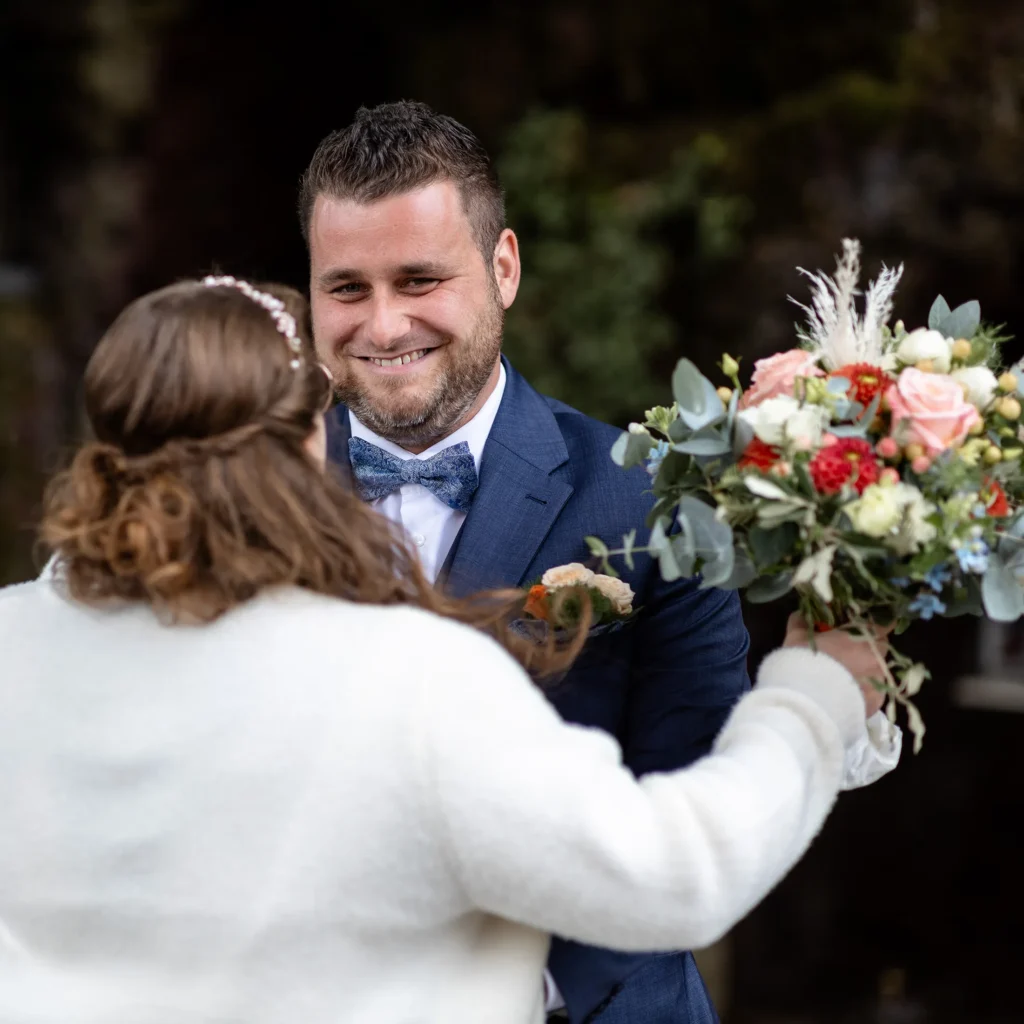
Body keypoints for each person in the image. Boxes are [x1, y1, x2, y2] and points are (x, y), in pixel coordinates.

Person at [0, 277, 892, 1024]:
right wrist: (815, 696)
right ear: (311, 433)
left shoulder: (15, 640)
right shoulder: (404, 679)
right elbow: (678, 872)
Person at [301, 101, 902, 1022]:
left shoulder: (650, 498)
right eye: (346, 289)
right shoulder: (241, 498)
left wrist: (828, 692)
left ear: (502, 268)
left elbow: (704, 796)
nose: (382, 327)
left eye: (420, 280)